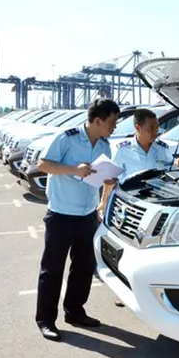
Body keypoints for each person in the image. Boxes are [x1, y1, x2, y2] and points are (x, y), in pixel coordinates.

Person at [34, 97, 120, 341]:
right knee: (52, 269)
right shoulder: (67, 138)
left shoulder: (104, 145)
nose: (115, 126)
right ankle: (45, 320)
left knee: (83, 268)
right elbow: (43, 164)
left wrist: (107, 182)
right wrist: (74, 169)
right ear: (98, 120)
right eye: (112, 122)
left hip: (87, 214)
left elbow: (101, 175)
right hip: (61, 213)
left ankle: (74, 311)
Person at [97, 108, 179, 307]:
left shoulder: (161, 148)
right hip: (130, 208)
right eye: (150, 128)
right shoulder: (123, 150)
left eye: (157, 127)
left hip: (157, 207)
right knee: (128, 252)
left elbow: (171, 168)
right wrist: (103, 202)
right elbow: (111, 177)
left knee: (153, 252)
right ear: (137, 127)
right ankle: (125, 290)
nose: (155, 132)